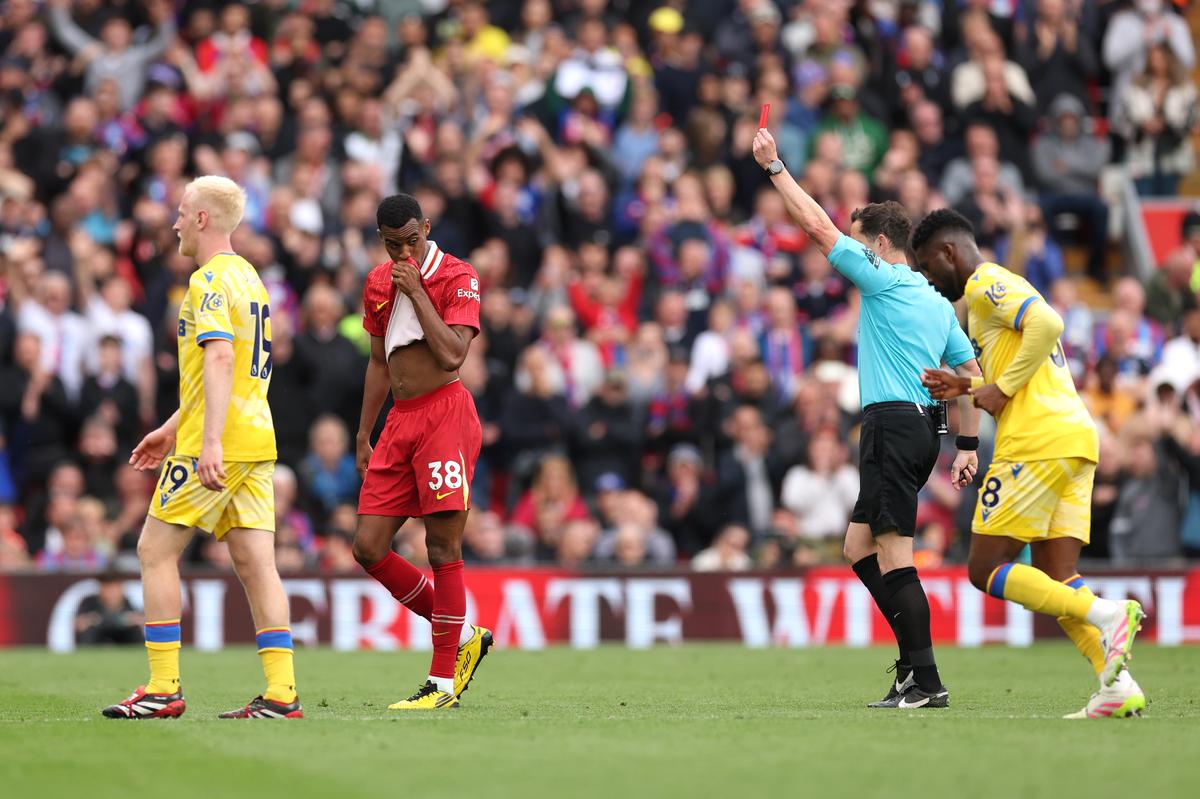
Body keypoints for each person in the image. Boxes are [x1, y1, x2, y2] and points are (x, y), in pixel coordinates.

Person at [753, 128, 983, 710]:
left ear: (880, 244)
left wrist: (776, 167)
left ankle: (926, 680)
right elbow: (970, 371)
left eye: (860, 244)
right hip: (924, 430)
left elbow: (817, 228)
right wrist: (967, 444)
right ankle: (911, 666)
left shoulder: (883, 278)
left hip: (890, 425)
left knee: (895, 555)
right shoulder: (936, 301)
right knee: (858, 547)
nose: (852, 256)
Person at [914, 208, 1147, 719]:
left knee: (984, 568)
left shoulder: (984, 283)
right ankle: (1116, 684)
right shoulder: (993, 296)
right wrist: (971, 386)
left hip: (1034, 442)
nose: (930, 279)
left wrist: (998, 387)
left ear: (949, 252)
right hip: (1072, 438)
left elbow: (1049, 323)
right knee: (1056, 576)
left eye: (929, 266)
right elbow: (1029, 361)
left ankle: (1107, 613)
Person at [102, 176, 301, 720]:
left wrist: (205, 440)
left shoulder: (207, 281)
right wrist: (173, 426)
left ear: (202, 219)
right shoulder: (251, 279)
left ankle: (163, 687)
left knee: (154, 551)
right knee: (257, 566)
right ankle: (282, 693)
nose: (175, 223)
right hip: (256, 440)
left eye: (182, 213)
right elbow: (235, 373)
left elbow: (220, 358)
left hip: (215, 444)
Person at [352, 193, 492, 711]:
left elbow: (454, 354)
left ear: (427, 228)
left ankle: (441, 684)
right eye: (393, 245)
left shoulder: (457, 275)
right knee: (367, 547)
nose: (403, 253)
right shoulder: (376, 282)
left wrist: (415, 291)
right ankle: (463, 635)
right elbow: (378, 362)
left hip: (444, 415)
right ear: (381, 240)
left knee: (442, 549)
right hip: (400, 421)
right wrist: (363, 432)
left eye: (411, 240)